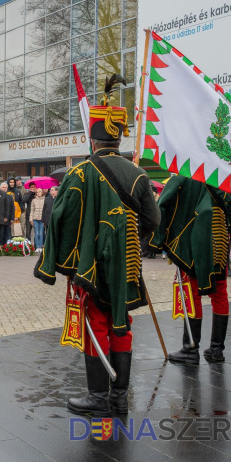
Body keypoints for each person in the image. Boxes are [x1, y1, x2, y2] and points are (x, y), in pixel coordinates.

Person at [34, 80, 160, 417]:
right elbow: (152, 219)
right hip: (128, 260)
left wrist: (65, 260)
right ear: (118, 138)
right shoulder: (138, 173)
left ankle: (99, 397)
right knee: (122, 321)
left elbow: (61, 219)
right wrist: (128, 236)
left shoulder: (81, 172)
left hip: (90, 263)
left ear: (93, 138)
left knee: (98, 323)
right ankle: (120, 396)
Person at [149, 176, 231, 365]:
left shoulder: (185, 176)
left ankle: (190, 348)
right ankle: (216, 349)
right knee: (220, 293)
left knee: (192, 293)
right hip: (219, 238)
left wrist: (157, 241)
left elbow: (161, 205)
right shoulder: (223, 177)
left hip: (194, 239)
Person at [29, 188, 46, 252]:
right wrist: (31, 219)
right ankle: (37, 247)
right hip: (35, 219)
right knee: (36, 233)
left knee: (41, 233)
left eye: (40, 192)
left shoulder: (45, 200)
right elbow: (32, 210)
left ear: (42, 192)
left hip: (42, 219)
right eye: (37, 192)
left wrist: (45, 219)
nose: (38, 193)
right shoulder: (33, 200)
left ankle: (40, 246)